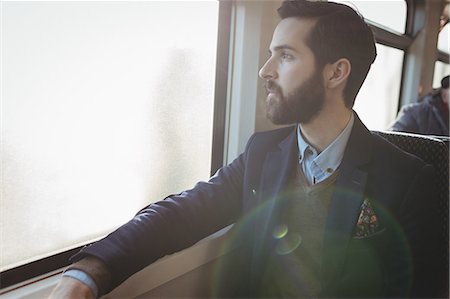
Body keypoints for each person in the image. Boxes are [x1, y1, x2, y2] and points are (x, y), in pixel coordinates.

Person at [50, 1, 444, 298]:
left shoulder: (409, 181)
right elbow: (186, 210)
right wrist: (91, 269)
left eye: (285, 55)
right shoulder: (264, 152)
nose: (265, 70)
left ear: (336, 73)